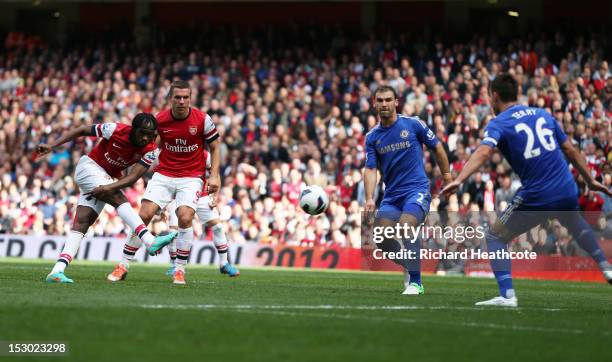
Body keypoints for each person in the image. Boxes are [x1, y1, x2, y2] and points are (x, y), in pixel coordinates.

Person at [442, 74, 612, 307]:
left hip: (538, 194)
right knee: (574, 222)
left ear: (494, 96)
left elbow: (483, 153)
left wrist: (459, 179)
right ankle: (606, 267)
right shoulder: (543, 114)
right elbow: (571, 151)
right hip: (566, 187)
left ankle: (507, 296)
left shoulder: (500, 122)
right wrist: (590, 181)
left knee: (495, 236)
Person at [39, 113, 177, 283]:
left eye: (151, 135)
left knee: (83, 222)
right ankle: (149, 240)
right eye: (143, 133)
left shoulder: (151, 150)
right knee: (117, 197)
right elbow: (82, 130)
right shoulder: (115, 129)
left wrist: (108, 186)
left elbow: (133, 178)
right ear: (133, 130)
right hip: (89, 168)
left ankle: (56, 271)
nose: (146, 138)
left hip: (105, 179)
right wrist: (53, 145)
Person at [107, 81, 221, 285]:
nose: (182, 101)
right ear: (170, 99)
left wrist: (215, 175)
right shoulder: (160, 120)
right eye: (177, 97)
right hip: (164, 174)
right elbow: (151, 147)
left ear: (190, 98)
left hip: (191, 176)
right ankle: (123, 265)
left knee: (185, 217)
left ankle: (179, 269)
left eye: (186, 97)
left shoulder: (203, 120)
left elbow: (215, 145)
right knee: (143, 215)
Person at [364, 85, 452, 295]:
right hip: (392, 196)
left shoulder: (413, 124)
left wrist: (447, 176)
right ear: (374, 104)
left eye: (388, 100)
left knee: (406, 226)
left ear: (396, 102)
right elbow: (370, 168)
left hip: (416, 190)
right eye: (380, 100)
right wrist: (369, 198)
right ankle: (409, 262)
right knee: (382, 237)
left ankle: (416, 283)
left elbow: (437, 147)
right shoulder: (372, 137)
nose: (384, 104)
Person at [164, 149, 240, 277]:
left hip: (202, 195)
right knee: (174, 230)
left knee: (218, 227)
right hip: (179, 195)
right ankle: (174, 264)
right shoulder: (175, 151)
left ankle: (224, 263)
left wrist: (215, 196)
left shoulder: (205, 155)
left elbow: (215, 175)